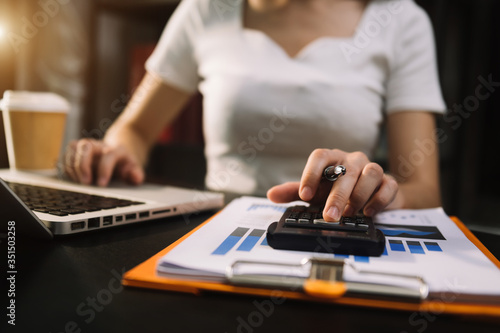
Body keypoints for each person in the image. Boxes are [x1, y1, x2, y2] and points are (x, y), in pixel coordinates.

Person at [64, 0, 446, 222]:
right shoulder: (207, 9)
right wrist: (117, 152)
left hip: (337, 232)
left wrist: (376, 192)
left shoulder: (400, 19)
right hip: (218, 228)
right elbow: (134, 129)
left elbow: (424, 190)